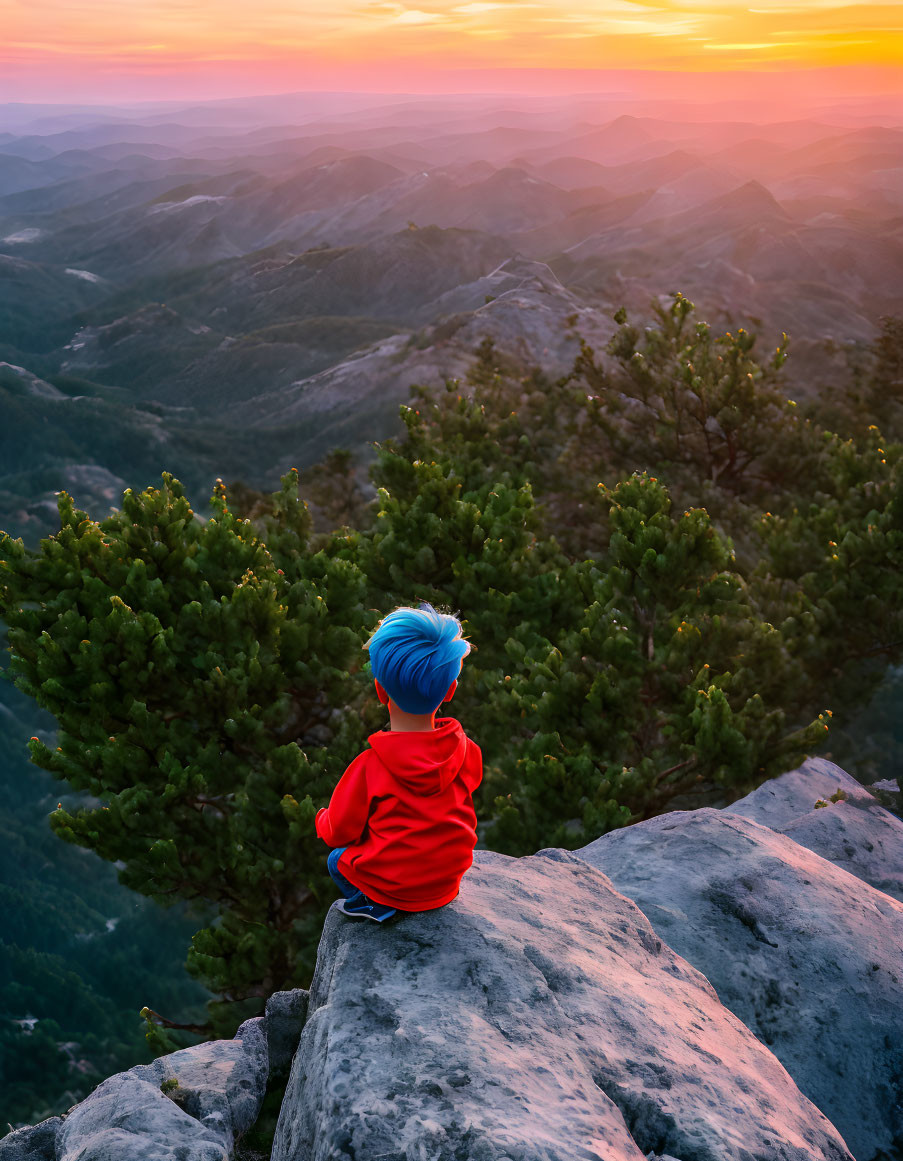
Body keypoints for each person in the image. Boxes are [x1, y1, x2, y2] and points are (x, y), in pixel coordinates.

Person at [315, 602, 482, 923]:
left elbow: (339, 831)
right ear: (450, 690)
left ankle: (379, 903)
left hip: (398, 885)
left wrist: (321, 819)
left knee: (337, 860)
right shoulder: (467, 751)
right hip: (447, 882)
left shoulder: (370, 766)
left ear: (380, 691)